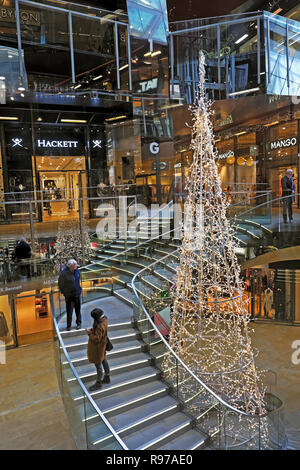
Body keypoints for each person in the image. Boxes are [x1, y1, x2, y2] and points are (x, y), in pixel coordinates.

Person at [86, 308, 110, 391]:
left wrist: (89, 333)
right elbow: (100, 333)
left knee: (98, 363)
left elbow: (97, 339)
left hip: (98, 347)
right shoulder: (104, 319)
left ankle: (98, 383)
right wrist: (94, 330)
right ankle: (107, 377)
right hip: (103, 345)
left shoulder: (100, 325)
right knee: (103, 359)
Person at [58, 259, 82, 331]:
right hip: (69, 296)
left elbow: (78, 280)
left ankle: (79, 323)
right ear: (70, 266)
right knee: (69, 311)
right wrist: (65, 293)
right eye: (75, 265)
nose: (76, 266)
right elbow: (60, 284)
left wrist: (79, 290)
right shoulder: (64, 273)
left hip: (77, 294)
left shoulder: (77, 271)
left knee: (78, 310)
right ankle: (69, 326)